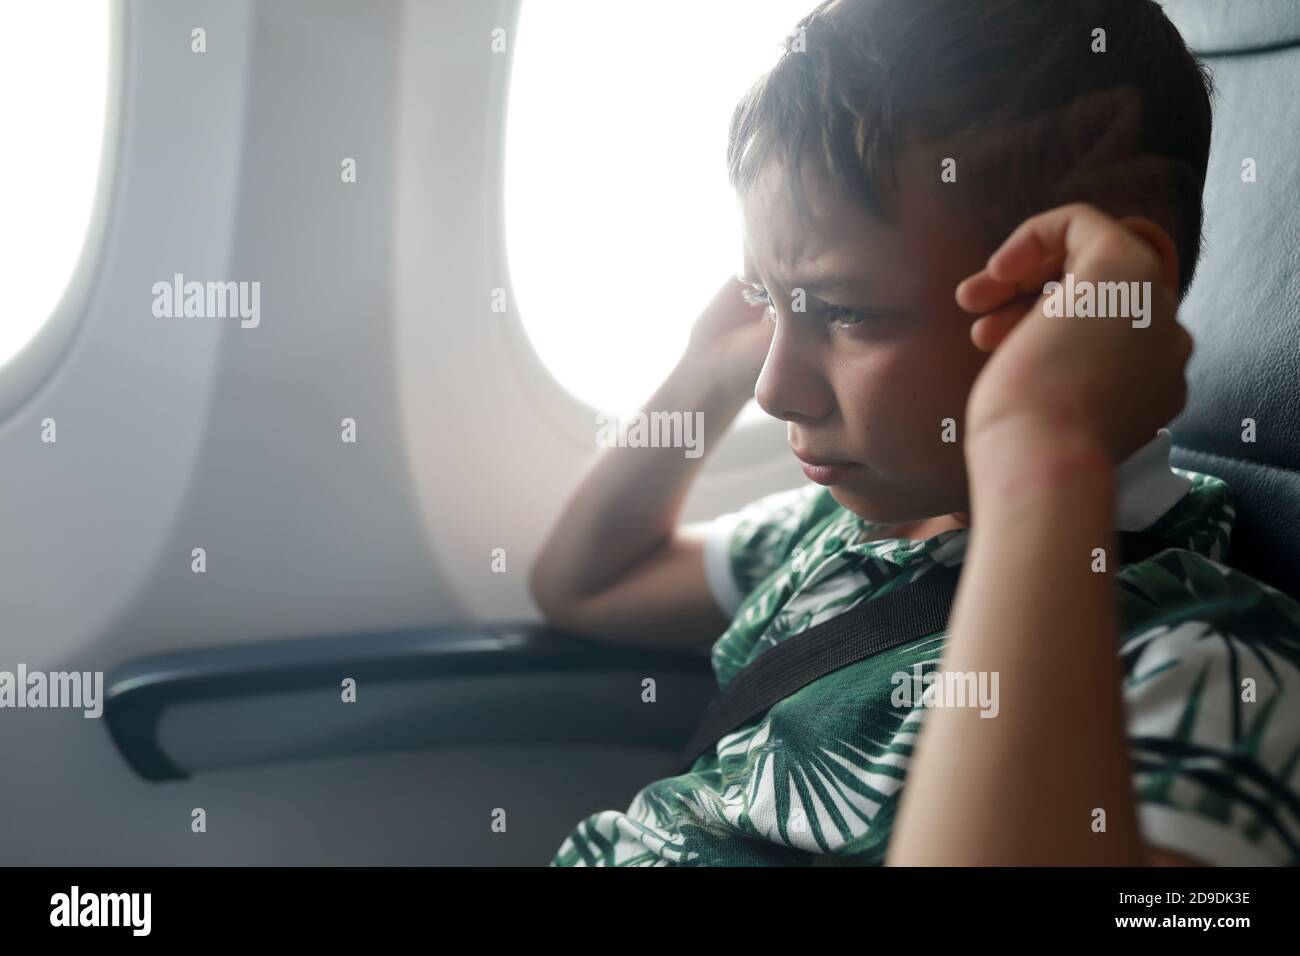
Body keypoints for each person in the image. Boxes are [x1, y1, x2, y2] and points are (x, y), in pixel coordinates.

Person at [531, 0, 1300, 866]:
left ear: (1077, 293)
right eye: (769, 300)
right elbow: (585, 584)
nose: (774, 390)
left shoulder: (1211, 676)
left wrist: (1044, 453)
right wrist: (704, 370)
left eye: (850, 311)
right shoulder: (861, 527)